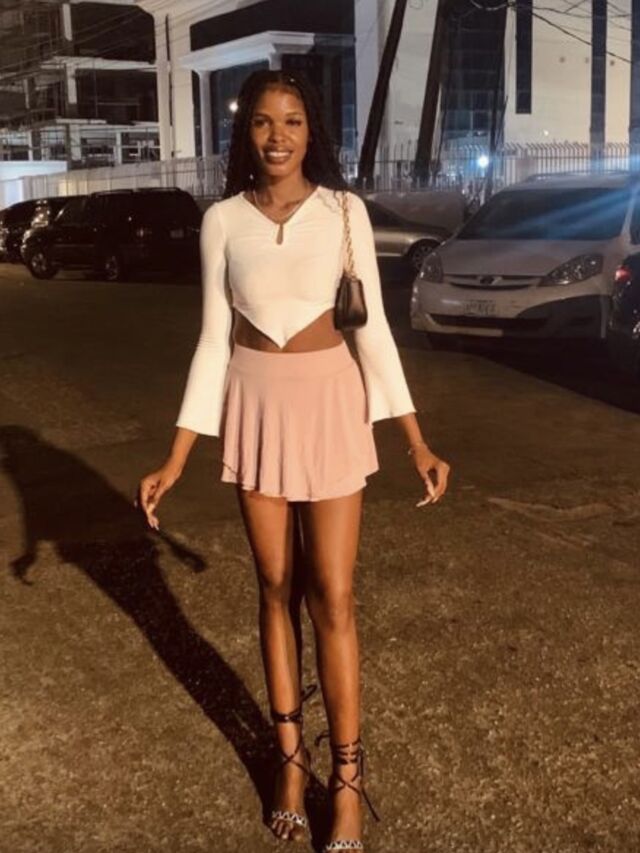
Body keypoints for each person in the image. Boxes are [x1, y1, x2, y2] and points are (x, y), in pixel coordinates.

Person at [136, 69, 450, 852]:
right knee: (274, 586)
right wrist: (177, 455)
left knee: (332, 595)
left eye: (293, 121)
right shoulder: (221, 221)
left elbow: (371, 330)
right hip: (255, 404)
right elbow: (214, 341)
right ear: (246, 133)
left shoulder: (343, 212)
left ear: (313, 133)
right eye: (263, 122)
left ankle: (347, 779)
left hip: (330, 402)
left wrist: (413, 437)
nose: (278, 136)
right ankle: (288, 762)